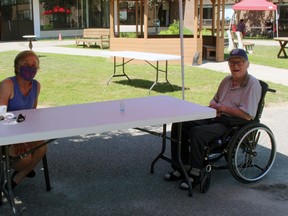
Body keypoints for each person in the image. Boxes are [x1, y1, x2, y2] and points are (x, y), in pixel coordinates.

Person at [164, 48, 262, 190]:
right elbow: (215, 99)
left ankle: (196, 172)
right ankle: (181, 166)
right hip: (215, 116)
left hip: (231, 124)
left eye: (239, 62)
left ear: (247, 64)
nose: (235, 66)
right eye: (232, 63)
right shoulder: (227, 80)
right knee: (180, 124)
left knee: (198, 133)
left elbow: (247, 115)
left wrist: (222, 109)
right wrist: (214, 107)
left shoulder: (252, 84)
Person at [0, 50, 48, 189]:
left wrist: (26, 137)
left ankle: (15, 179)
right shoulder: (8, 84)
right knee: (25, 159)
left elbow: (31, 114)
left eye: (34, 65)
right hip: (6, 132)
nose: (31, 67)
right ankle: (18, 165)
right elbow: (1, 116)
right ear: (17, 66)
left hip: (24, 130)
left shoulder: (36, 86)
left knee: (42, 147)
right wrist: (18, 139)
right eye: (27, 64)